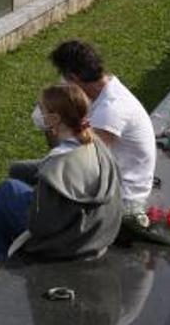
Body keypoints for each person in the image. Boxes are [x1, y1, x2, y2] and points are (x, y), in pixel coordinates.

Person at [0, 83, 123, 279]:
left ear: (54, 119)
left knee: (3, 195)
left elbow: (40, 225)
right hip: (96, 234)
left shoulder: (58, 161)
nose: (38, 113)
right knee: (8, 190)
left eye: (42, 108)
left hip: (66, 244)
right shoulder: (97, 145)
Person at [48, 40, 155, 215]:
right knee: (25, 173)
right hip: (108, 182)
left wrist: (50, 124)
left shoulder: (111, 110)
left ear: (73, 78)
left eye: (63, 77)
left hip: (121, 199)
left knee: (12, 193)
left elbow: (78, 164)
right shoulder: (105, 93)